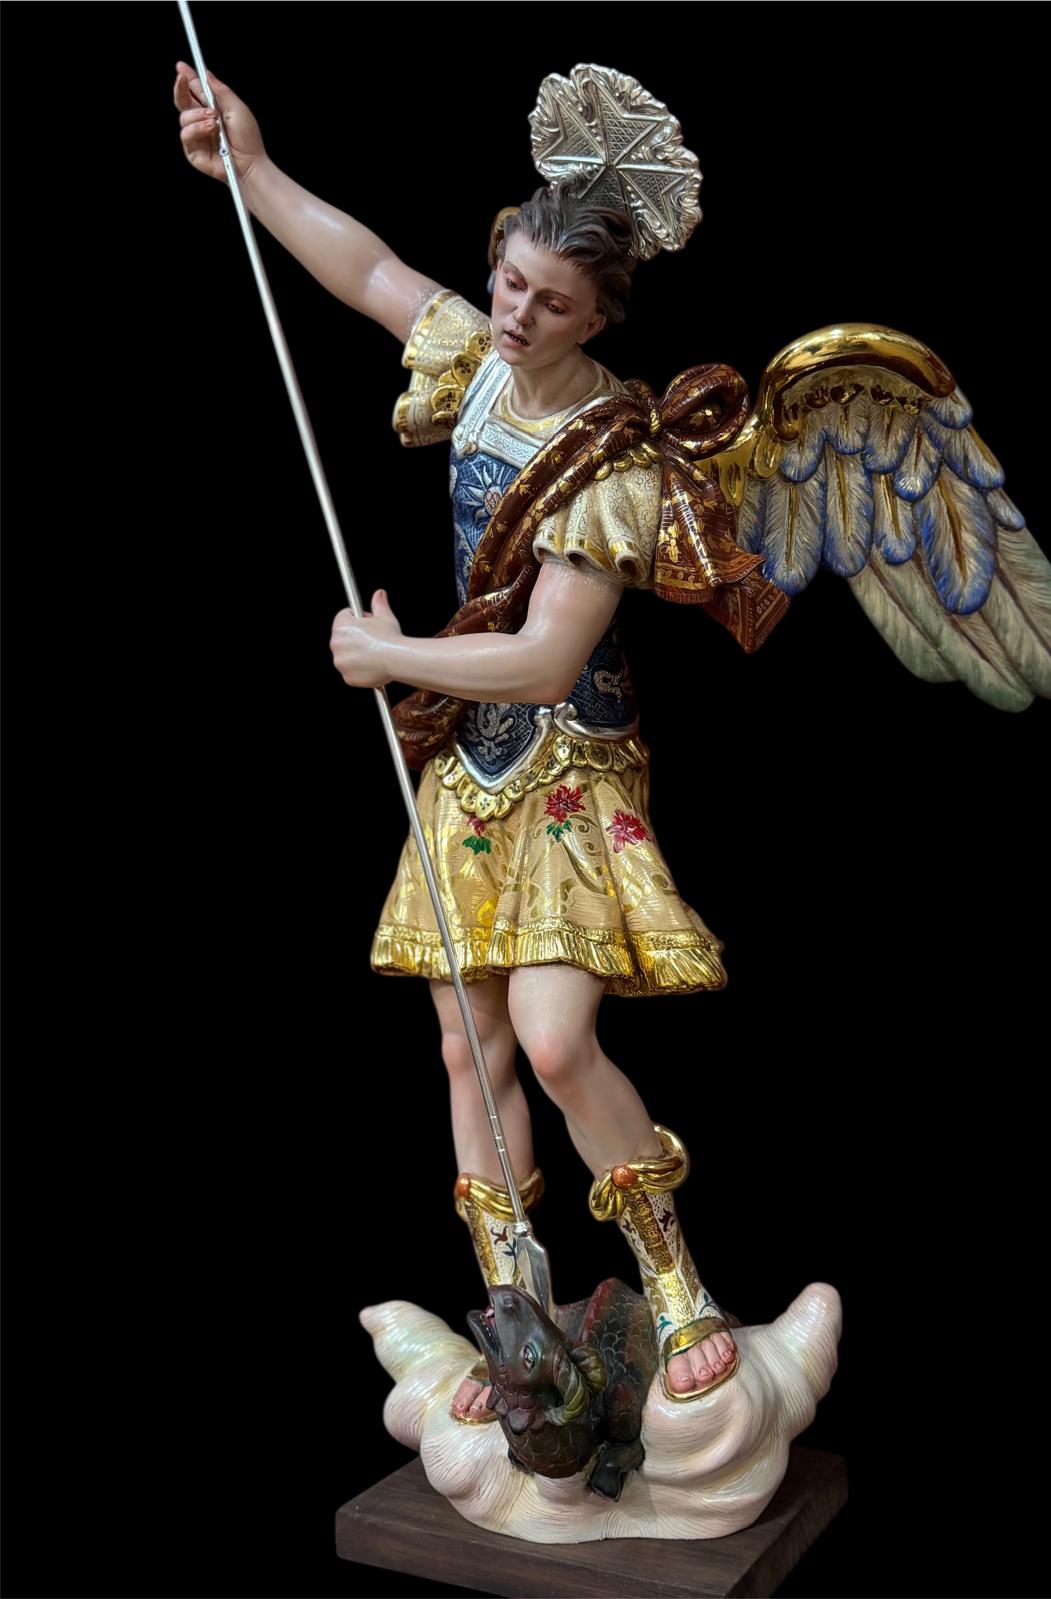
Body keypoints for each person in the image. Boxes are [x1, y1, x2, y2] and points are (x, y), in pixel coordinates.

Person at [175, 62, 741, 1417]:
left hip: (566, 763)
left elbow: (546, 657)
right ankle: (518, 1315)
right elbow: (367, 270)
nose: (514, 312)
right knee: (466, 1052)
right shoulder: (480, 361)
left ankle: (676, 1282)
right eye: (508, 280)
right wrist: (252, 165)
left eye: (551, 304)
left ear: (599, 316)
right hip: (471, 765)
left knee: (553, 1042)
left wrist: (389, 660)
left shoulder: (611, 456)